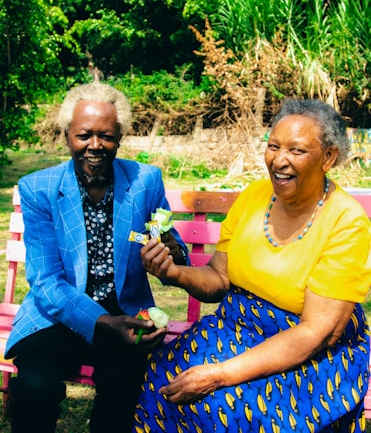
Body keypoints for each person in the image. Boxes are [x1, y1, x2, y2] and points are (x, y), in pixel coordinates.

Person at [133, 99, 371, 432]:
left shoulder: (346, 222)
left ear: (328, 157)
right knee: (163, 375)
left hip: (305, 350)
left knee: (226, 409)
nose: (279, 160)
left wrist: (219, 374)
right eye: (273, 146)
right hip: (236, 327)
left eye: (297, 151)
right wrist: (174, 273)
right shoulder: (254, 197)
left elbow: (316, 334)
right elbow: (219, 279)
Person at [4, 81, 189, 433]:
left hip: (125, 315)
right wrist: (104, 322)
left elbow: (165, 241)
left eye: (106, 136)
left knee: (122, 387)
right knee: (35, 386)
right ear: (67, 136)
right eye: (84, 135)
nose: (95, 146)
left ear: (119, 138)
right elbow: (46, 282)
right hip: (56, 316)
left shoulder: (145, 181)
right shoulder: (38, 188)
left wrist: (170, 250)